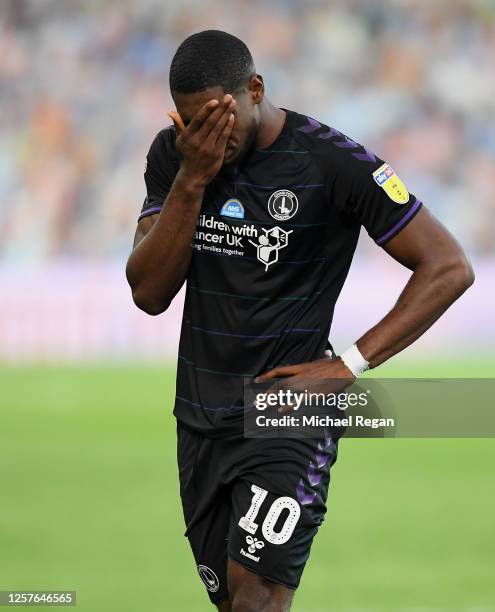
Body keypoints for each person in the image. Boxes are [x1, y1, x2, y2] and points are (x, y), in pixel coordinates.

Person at [126, 30, 474, 612]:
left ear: (254, 89)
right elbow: (148, 292)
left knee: (258, 599)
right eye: (191, 121)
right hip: (201, 414)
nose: (208, 134)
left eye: (218, 116)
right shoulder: (177, 158)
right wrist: (191, 179)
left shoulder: (331, 161)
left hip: (290, 412)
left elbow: (448, 266)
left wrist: (349, 365)